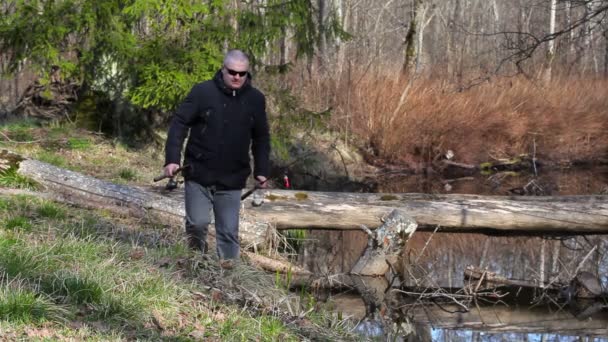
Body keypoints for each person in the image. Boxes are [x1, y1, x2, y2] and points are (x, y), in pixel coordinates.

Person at [163, 49, 270, 269]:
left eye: (242, 73)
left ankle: (229, 280)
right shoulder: (203, 92)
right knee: (197, 223)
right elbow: (179, 124)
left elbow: (261, 137)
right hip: (198, 172)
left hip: (233, 178)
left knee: (229, 232)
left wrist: (262, 170)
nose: (237, 77)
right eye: (232, 72)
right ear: (223, 69)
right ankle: (195, 266)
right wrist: (172, 158)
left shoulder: (256, 99)